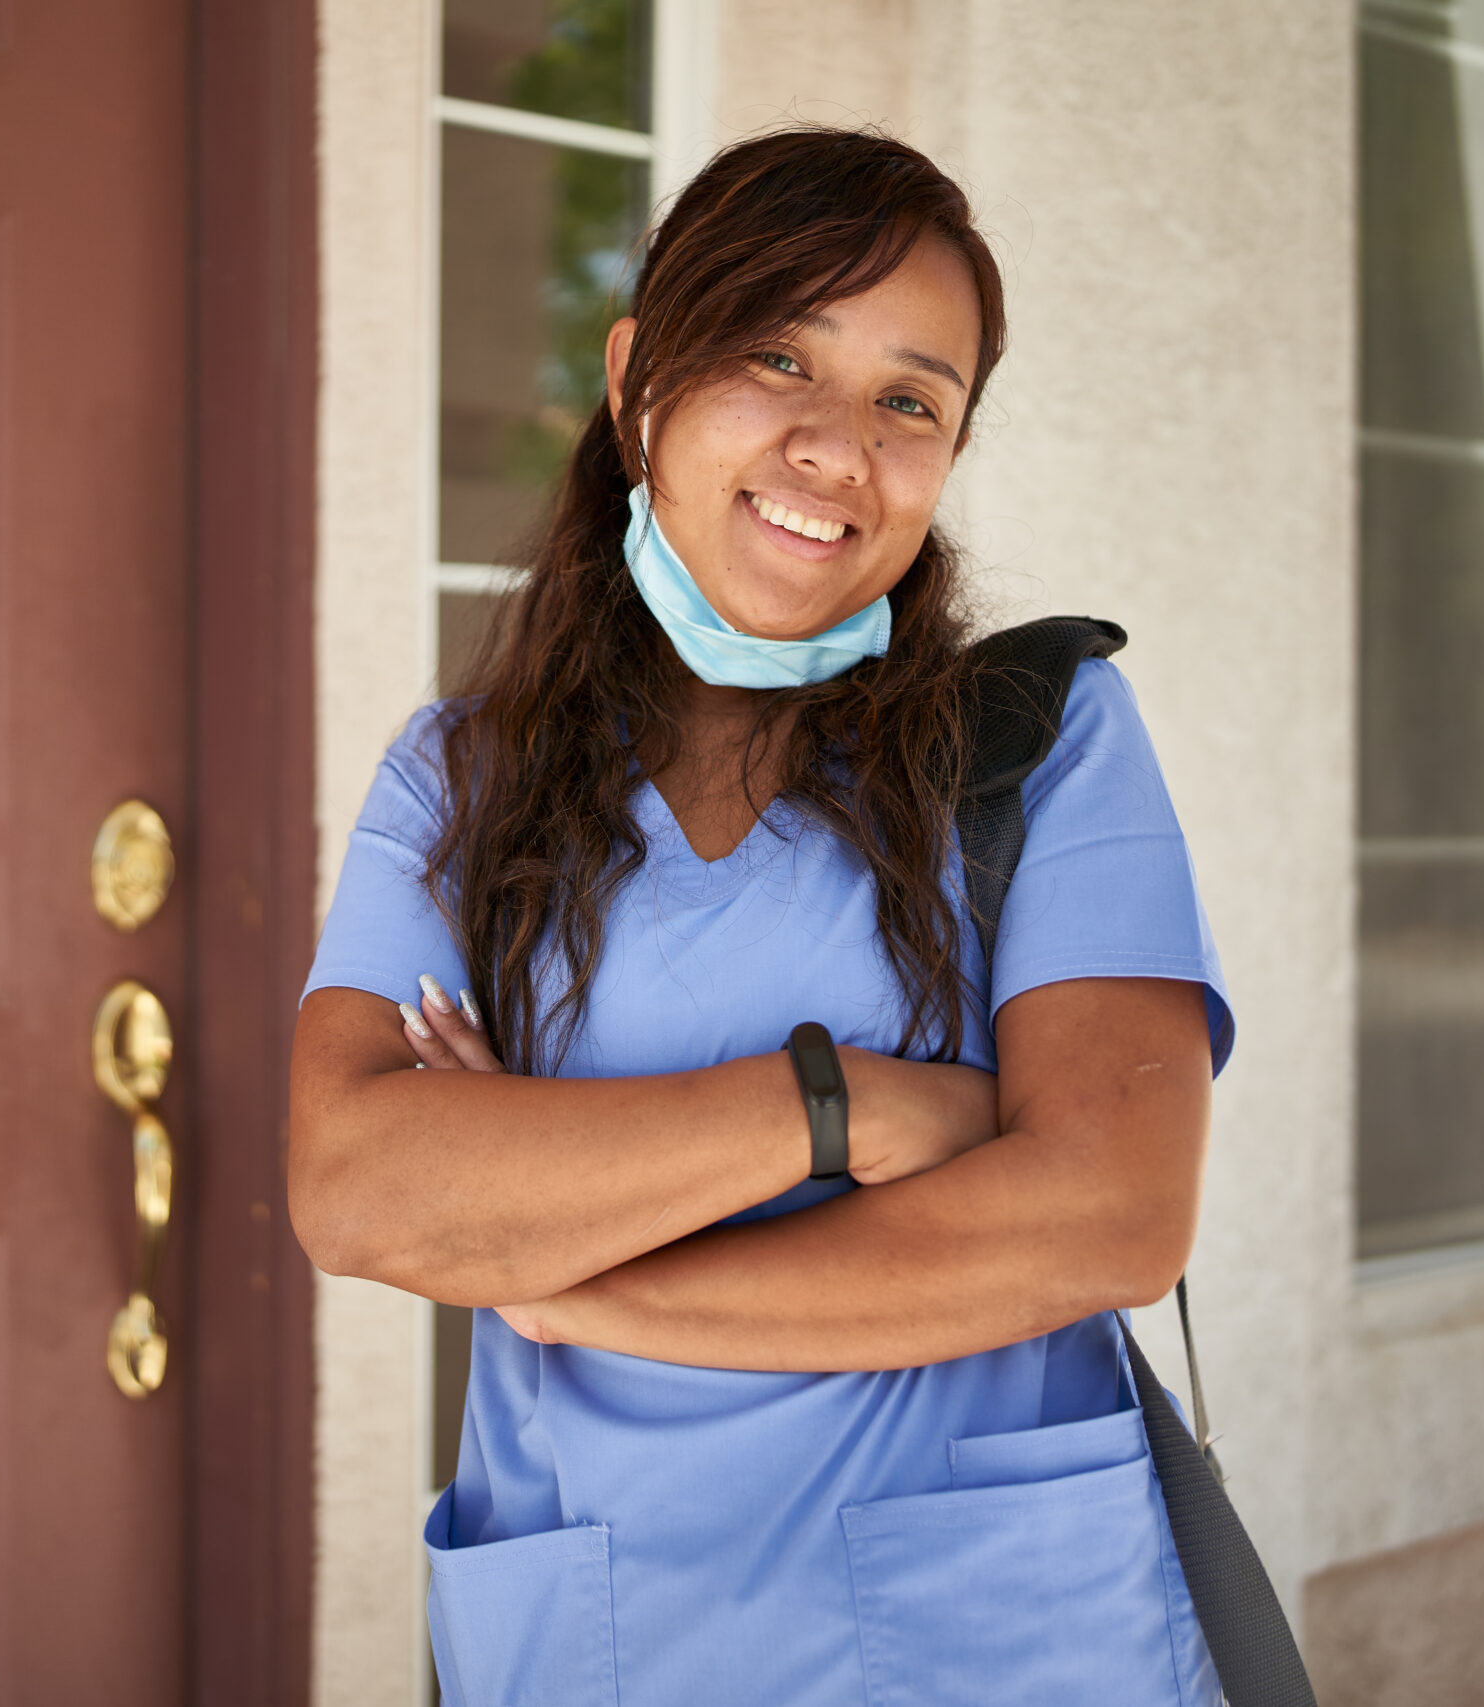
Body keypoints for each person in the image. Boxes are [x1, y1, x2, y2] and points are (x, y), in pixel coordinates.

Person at [288, 126, 1229, 1707]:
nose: (836, 447)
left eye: (910, 401)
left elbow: (1108, 1215)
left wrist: (574, 1278)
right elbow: (362, 1189)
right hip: (605, 1631)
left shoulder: (1042, 740)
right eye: (777, 355)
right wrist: (838, 1105)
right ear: (638, 374)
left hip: (997, 1647)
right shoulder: (461, 780)